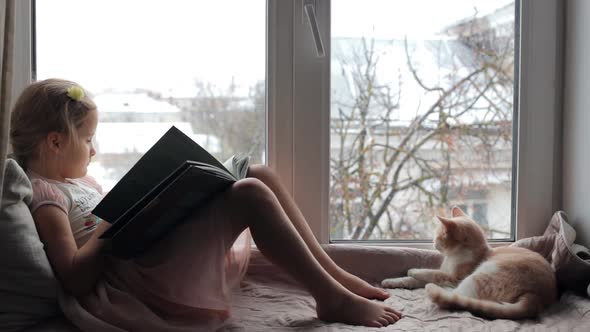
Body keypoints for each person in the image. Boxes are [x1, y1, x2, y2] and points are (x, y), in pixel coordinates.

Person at [9, 78, 401, 330]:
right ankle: (330, 298)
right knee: (250, 194)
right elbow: (75, 276)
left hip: (143, 253)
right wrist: (116, 218)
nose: (94, 150)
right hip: (131, 281)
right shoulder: (46, 195)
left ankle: (332, 274)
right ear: (56, 142)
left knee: (258, 173)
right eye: (88, 139)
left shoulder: (79, 180)